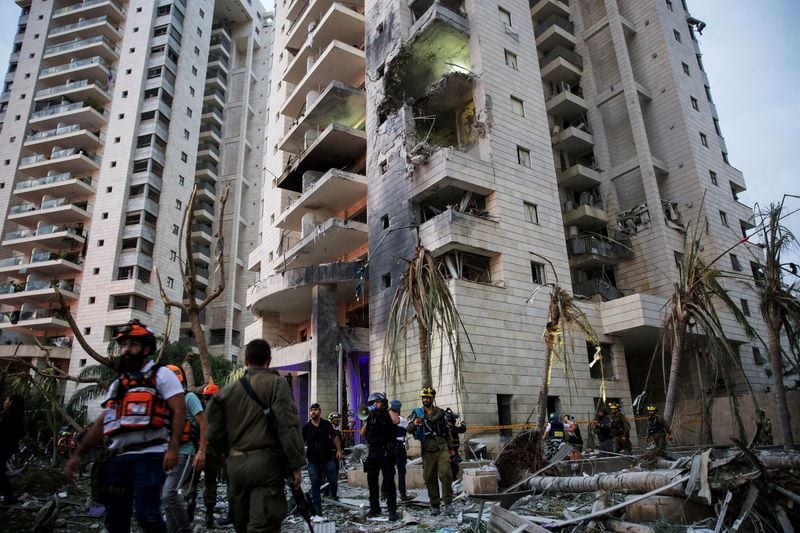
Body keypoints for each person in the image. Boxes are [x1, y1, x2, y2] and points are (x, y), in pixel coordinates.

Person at [65, 320, 186, 533]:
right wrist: (77, 455)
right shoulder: (119, 383)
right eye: (123, 345)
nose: (126, 349)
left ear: (146, 349)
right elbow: (102, 423)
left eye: (133, 344)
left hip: (150, 455)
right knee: (115, 519)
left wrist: (174, 448)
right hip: (118, 458)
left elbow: (179, 410)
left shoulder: (162, 375)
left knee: (146, 515)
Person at [206, 339, 305, 533]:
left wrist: (226, 454)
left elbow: (213, 432)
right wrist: (296, 464)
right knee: (263, 525)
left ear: (245, 361)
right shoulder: (277, 384)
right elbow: (288, 426)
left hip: (236, 467)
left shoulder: (228, 391)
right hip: (266, 466)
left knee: (241, 523)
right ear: (269, 360)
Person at [162, 364, 207, 533]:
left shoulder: (189, 398)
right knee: (167, 499)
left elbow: (203, 424)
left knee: (169, 494)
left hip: (185, 452)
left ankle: (186, 529)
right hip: (169, 454)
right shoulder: (166, 402)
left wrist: (201, 451)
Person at [409, 387, 454, 516]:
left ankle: (448, 503)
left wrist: (451, 448)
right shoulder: (417, 413)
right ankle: (435, 504)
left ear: (432, 399)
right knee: (429, 478)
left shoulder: (440, 413)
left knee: (445, 474)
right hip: (428, 451)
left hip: (442, 448)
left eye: (427, 397)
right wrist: (414, 423)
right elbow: (409, 429)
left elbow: (447, 432)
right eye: (423, 397)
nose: (425, 400)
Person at [186, 383, 224, 528]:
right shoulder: (220, 412)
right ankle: (209, 515)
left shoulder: (199, 409)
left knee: (192, 480)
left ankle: (191, 501)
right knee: (211, 482)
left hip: (198, 449)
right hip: (212, 451)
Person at [358, 392, 399, 521]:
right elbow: (362, 433)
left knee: (389, 481)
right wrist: (367, 417)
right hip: (373, 451)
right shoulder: (371, 416)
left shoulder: (388, 414)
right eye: (372, 403)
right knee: (372, 481)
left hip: (386, 451)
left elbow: (396, 420)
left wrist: (388, 409)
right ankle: (374, 508)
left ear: (383, 403)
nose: (375, 405)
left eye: (377, 402)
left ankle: (392, 510)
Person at [302, 402, 344, 516]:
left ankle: (333, 495)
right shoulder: (306, 427)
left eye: (315, 410)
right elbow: (301, 442)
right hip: (313, 460)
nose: (313, 412)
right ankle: (317, 510)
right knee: (315, 482)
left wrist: (339, 450)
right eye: (311, 410)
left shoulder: (326, 424)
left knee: (333, 479)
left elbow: (335, 437)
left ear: (320, 412)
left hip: (327, 458)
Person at [0, 394, 25, 504]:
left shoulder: (6, 416)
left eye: (7, 399)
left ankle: (8, 496)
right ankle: (8, 495)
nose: (5, 401)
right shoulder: (19, 417)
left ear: (11, 402)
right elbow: (22, 434)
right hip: (10, 447)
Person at [390, 400, 410, 501]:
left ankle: (386, 493)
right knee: (401, 471)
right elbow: (408, 427)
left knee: (389, 471)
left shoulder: (387, 419)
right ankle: (402, 494)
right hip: (399, 446)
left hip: (390, 447)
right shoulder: (401, 419)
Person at [444, 408, 466, 481]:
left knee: (455, 465)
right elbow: (461, 429)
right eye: (449, 422)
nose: (451, 424)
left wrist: (463, 425)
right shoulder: (448, 429)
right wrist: (463, 425)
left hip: (454, 449)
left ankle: (454, 478)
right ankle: (452, 479)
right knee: (453, 465)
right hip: (450, 450)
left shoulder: (453, 428)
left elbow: (462, 429)